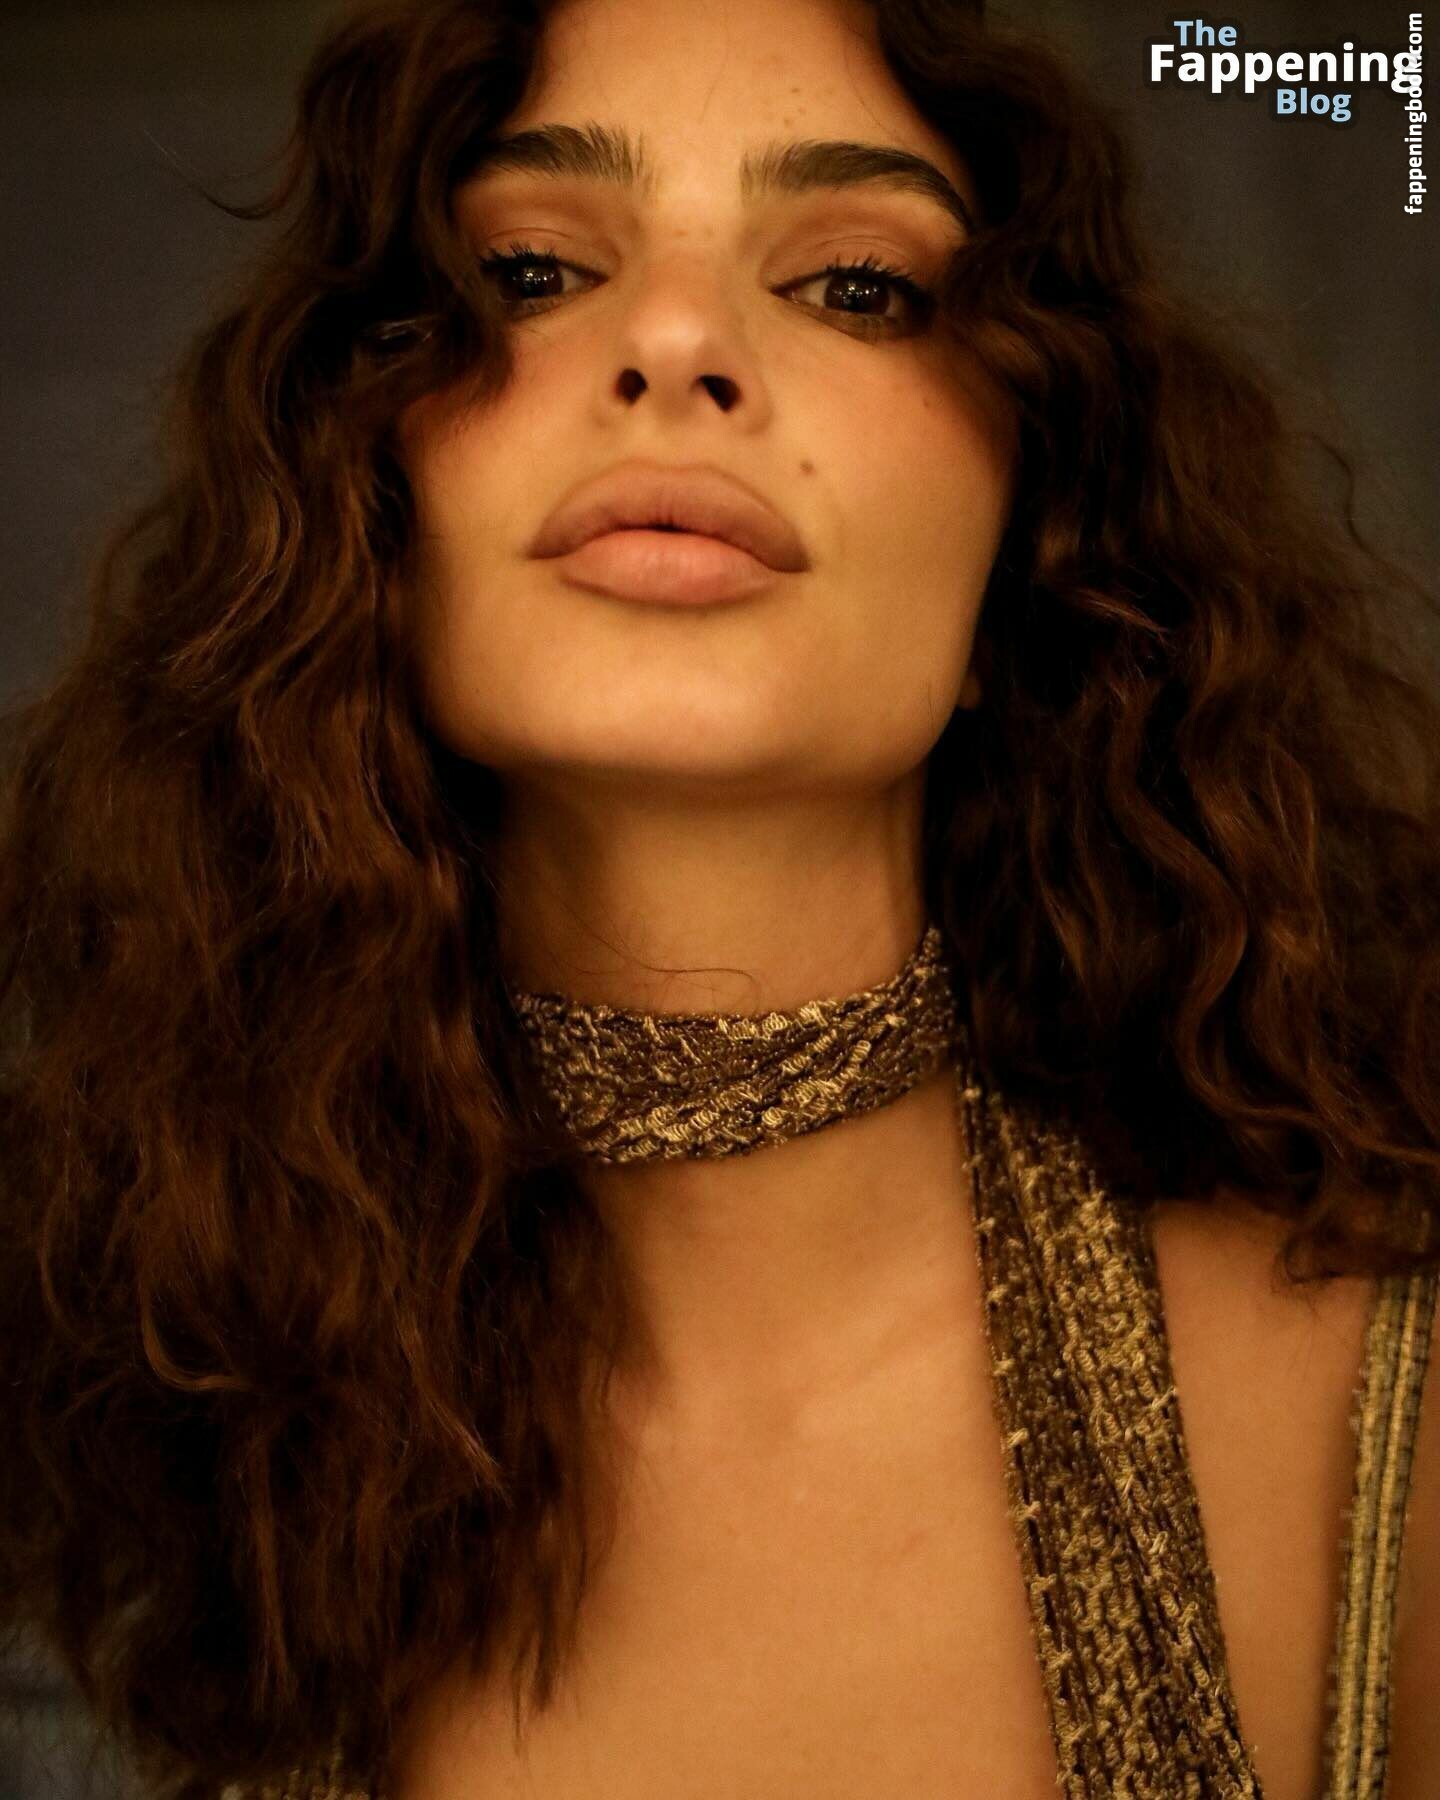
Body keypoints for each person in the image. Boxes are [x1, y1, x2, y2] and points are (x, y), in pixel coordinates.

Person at [0, 0, 1436, 1795]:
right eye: (530, 273)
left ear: (1040, 537)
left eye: (859, 285)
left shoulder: (1392, 1412)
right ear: (360, 488)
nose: (675, 340)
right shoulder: (171, 1401)